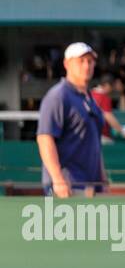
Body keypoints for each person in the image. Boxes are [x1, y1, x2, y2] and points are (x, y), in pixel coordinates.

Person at [36, 42, 109, 197]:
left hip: (91, 186)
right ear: (67, 64)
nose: (86, 66)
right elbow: (45, 138)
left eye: (90, 61)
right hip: (68, 187)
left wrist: (102, 178)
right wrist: (58, 180)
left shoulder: (89, 98)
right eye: (80, 61)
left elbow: (94, 141)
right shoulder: (58, 96)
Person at [91, 74, 125, 142]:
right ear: (107, 85)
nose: (112, 89)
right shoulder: (104, 97)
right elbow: (109, 117)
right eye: (112, 86)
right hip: (101, 136)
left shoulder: (89, 94)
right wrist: (124, 132)